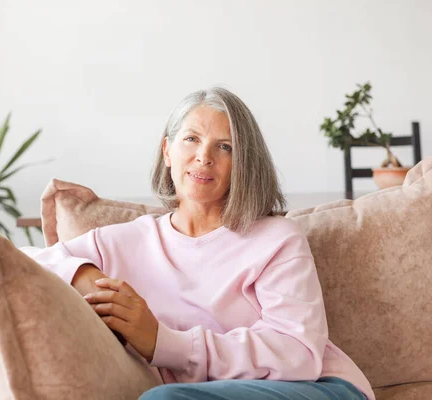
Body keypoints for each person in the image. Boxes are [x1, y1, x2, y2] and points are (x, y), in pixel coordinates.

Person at [27, 87, 375, 400]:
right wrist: (88, 277)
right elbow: (25, 264)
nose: (204, 157)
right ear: (167, 151)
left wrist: (162, 342)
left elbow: (298, 352)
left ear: (242, 165)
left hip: (319, 388)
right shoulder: (128, 240)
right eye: (191, 139)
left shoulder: (277, 239)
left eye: (225, 147)